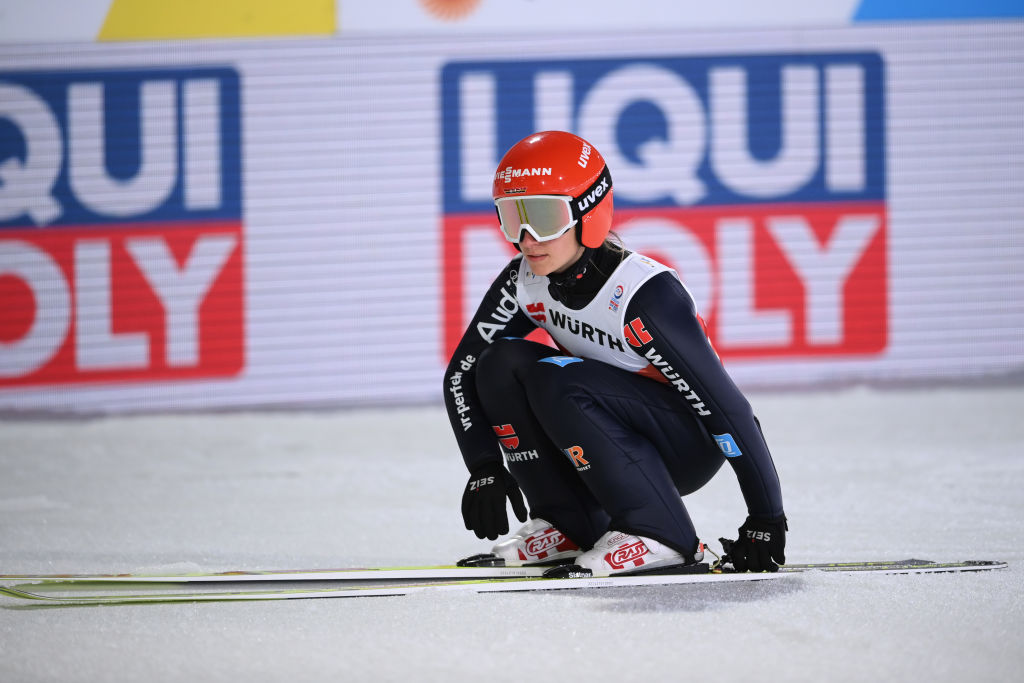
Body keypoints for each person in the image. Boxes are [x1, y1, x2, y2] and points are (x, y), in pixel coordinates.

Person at [442, 130, 786, 576]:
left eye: (545, 217)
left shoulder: (643, 296)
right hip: (601, 426)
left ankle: (664, 534)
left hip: (686, 444)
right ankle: (570, 522)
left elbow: (730, 410)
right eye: (512, 218)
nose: (527, 238)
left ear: (589, 211)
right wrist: (485, 465)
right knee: (500, 363)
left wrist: (766, 517)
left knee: (556, 379)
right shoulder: (524, 280)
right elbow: (462, 374)